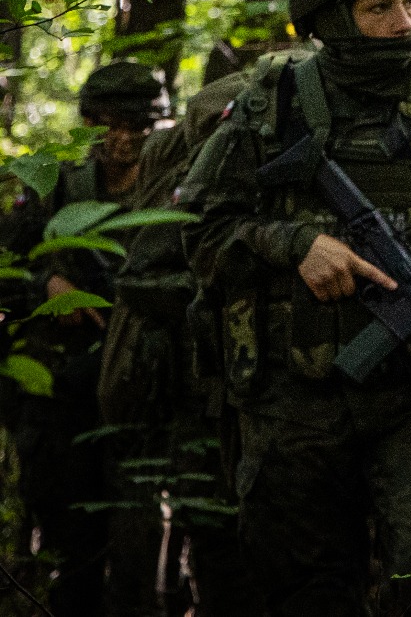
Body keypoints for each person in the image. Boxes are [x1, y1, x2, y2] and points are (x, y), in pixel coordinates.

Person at [179, 0, 411, 616]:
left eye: (410, 2)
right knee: (304, 593)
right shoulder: (267, 107)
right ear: (331, 19)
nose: (404, 22)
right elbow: (197, 233)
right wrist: (294, 245)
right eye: (379, 7)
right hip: (290, 398)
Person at [1, 59, 169, 617]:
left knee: (139, 550)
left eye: (136, 126)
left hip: (144, 395)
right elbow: (8, 268)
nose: (122, 139)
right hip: (64, 399)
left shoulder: (174, 192)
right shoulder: (56, 189)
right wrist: (45, 286)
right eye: (108, 125)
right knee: (71, 549)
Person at [99, 70, 264, 617]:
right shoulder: (190, 175)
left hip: (238, 393)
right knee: (184, 534)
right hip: (186, 387)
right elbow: (143, 276)